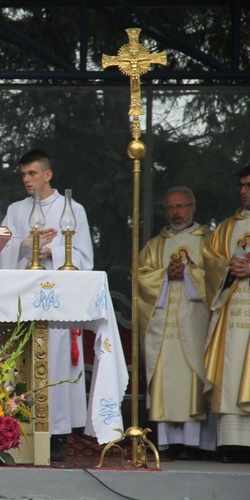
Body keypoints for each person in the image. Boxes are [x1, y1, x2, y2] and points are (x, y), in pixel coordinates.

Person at [0, 149, 94, 461]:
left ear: (48, 175)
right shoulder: (15, 210)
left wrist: (53, 253)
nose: (27, 180)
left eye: (32, 174)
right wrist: (24, 246)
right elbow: (2, 252)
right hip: (23, 302)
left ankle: (58, 433)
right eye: (23, 175)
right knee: (20, 365)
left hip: (55, 304)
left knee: (56, 363)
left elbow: (84, 257)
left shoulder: (72, 209)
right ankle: (17, 430)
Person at [138, 186, 215, 459]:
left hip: (194, 323)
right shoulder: (155, 244)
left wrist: (190, 272)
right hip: (164, 326)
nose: (175, 213)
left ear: (192, 207)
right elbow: (142, 277)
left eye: (181, 207)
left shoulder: (209, 240)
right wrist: (165, 275)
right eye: (170, 208)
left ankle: (196, 443)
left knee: (193, 377)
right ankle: (168, 442)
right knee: (166, 378)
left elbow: (217, 274)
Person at [202, 165, 250, 464]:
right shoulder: (226, 228)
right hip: (234, 311)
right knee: (232, 368)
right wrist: (226, 269)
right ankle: (233, 444)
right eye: (242, 185)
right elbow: (208, 262)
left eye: (249, 185)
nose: (244, 190)